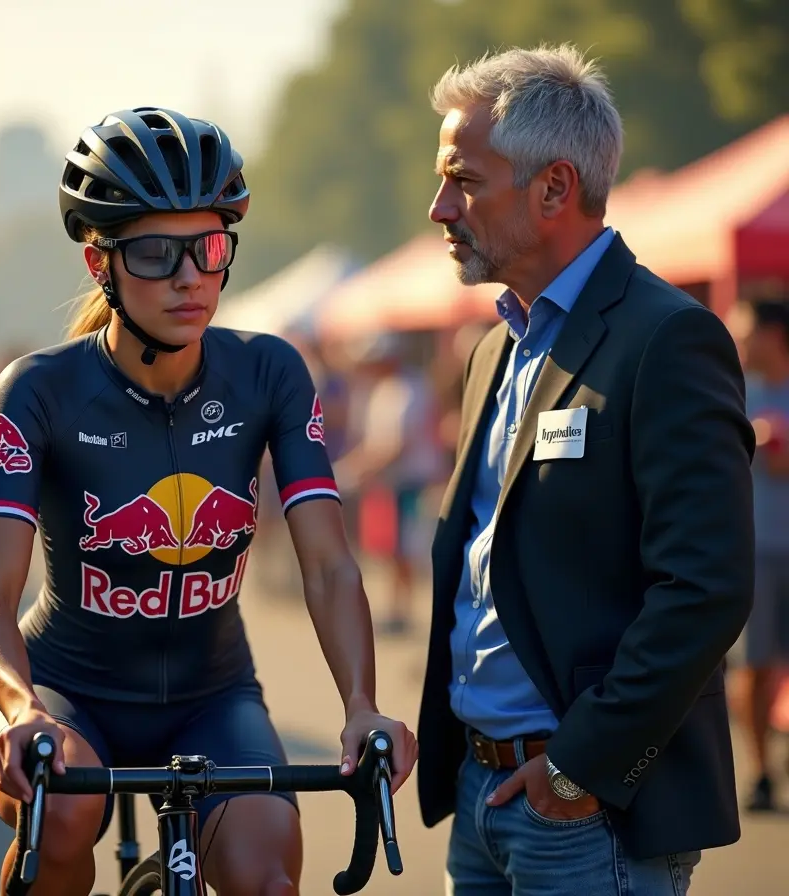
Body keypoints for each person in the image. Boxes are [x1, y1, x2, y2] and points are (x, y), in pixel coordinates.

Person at [0, 107, 418, 896]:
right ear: (99, 261)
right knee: (61, 818)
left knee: (266, 877)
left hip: (214, 700)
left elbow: (331, 568)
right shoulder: (38, 390)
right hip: (62, 696)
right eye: (154, 252)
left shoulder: (269, 373)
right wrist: (18, 707)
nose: (188, 277)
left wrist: (361, 707)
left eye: (209, 249)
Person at [416, 45, 754, 895]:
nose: (439, 207)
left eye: (463, 180)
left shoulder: (667, 338)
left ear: (555, 189)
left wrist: (582, 764)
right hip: (487, 794)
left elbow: (705, 587)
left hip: (587, 807)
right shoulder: (494, 346)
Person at [334, 333, 445, 635]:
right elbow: (375, 443)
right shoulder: (384, 389)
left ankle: (402, 610)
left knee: (404, 548)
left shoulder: (409, 388)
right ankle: (395, 608)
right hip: (390, 480)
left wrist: (354, 469)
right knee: (388, 547)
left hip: (409, 479)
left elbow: (395, 445)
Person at [735, 299, 789, 811]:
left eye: (746, 331)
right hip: (753, 552)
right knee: (755, 665)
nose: (738, 340)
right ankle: (761, 771)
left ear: (774, 335)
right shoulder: (733, 392)